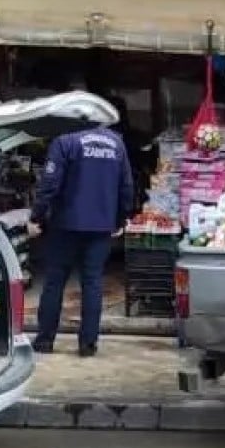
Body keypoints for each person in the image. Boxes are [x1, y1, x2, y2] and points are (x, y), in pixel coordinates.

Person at [28, 108, 134, 358]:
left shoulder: (65, 142)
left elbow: (49, 184)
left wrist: (37, 217)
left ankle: (45, 341)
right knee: (92, 282)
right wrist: (121, 217)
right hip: (100, 226)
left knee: (54, 281)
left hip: (65, 225)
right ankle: (88, 344)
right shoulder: (116, 145)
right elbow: (126, 185)